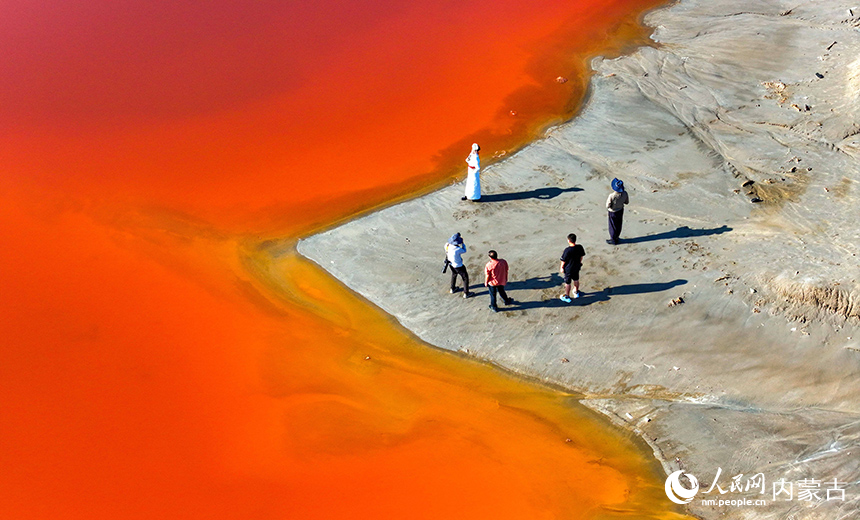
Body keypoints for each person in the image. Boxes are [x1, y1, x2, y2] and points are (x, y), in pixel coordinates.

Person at [559, 233, 585, 303]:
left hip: (568, 269)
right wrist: (579, 262)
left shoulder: (567, 250)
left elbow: (563, 260)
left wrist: (561, 268)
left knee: (568, 283)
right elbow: (581, 256)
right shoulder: (579, 247)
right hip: (576, 267)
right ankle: (576, 292)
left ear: (568, 241)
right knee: (576, 279)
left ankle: (567, 296)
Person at [445, 233, 472, 298]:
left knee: (454, 275)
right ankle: (466, 293)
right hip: (459, 266)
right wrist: (462, 243)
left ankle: (452, 288)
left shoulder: (447, 245)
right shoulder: (457, 249)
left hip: (450, 264)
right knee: (465, 278)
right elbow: (464, 250)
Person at [606, 178, 629, 245]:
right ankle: (617, 237)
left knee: (612, 225)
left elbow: (608, 205)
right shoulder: (625, 193)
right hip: (620, 210)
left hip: (612, 211)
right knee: (619, 224)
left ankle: (613, 240)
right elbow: (626, 202)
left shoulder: (612, 196)